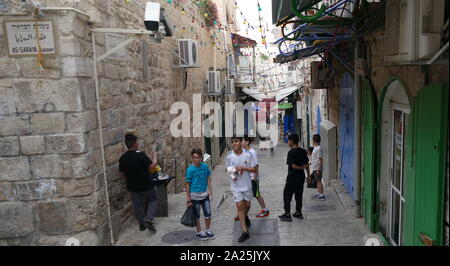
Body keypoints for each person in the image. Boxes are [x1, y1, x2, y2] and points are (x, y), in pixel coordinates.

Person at [119, 133, 158, 232]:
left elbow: (123, 173)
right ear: (135, 144)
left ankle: (142, 223)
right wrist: (155, 157)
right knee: (153, 199)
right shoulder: (140, 154)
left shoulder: (122, 158)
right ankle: (149, 219)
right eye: (137, 142)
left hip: (133, 186)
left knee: (137, 206)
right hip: (146, 184)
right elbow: (152, 166)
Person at [225, 137, 257, 243]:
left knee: (247, 205)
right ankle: (245, 231)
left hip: (247, 184)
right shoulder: (229, 156)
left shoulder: (248, 154)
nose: (234, 143)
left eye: (236, 141)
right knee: (239, 206)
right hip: (235, 185)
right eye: (232, 142)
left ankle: (245, 215)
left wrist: (243, 168)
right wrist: (233, 174)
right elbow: (227, 170)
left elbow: (254, 169)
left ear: (240, 142)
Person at [185, 148, 215, 241]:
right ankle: (199, 232)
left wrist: (210, 191)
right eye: (194, 157)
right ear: (192, 158)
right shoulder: (190, 169)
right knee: (197, 215)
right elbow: (187, 185)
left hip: (205, 195)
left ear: (201, 157)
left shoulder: (205, 167)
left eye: (198, 157)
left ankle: (208, 230)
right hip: (194, 196)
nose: (196, 159)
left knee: (208, 213)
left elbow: (208, 178)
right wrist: (188, 199)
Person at [279, 134, 309, 222]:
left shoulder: (291, 152)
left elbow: (293, 166)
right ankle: (298, 212)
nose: (288, 142)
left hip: (292, 177)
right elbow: (306, 164)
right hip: (301, 177)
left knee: (287, 195)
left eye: (288, 140)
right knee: (299, 195)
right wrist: (308, 175)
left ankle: (287, 214)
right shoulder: (303, 151)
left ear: (292, 141)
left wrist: (301, 168)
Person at [241, 136, 270, 218]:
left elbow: (256, 166)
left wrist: (255, 178)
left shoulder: (252, 152)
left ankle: (265, 210)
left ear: (247, 142)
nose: (241, 142)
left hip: (253, 178)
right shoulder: (243, 151)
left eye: (242, 141)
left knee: (257, 194)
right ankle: (241, 212)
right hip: (246, 178)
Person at [310, 134, 325, 201]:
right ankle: (318, 192)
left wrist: (318, 169)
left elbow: (321, 159)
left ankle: (322, 195)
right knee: (317, 181)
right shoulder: (316, 148)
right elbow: (315, 159)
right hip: (315, 167)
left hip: (317, 168)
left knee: (319, 181)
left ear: (314, 140)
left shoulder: (319, 148)